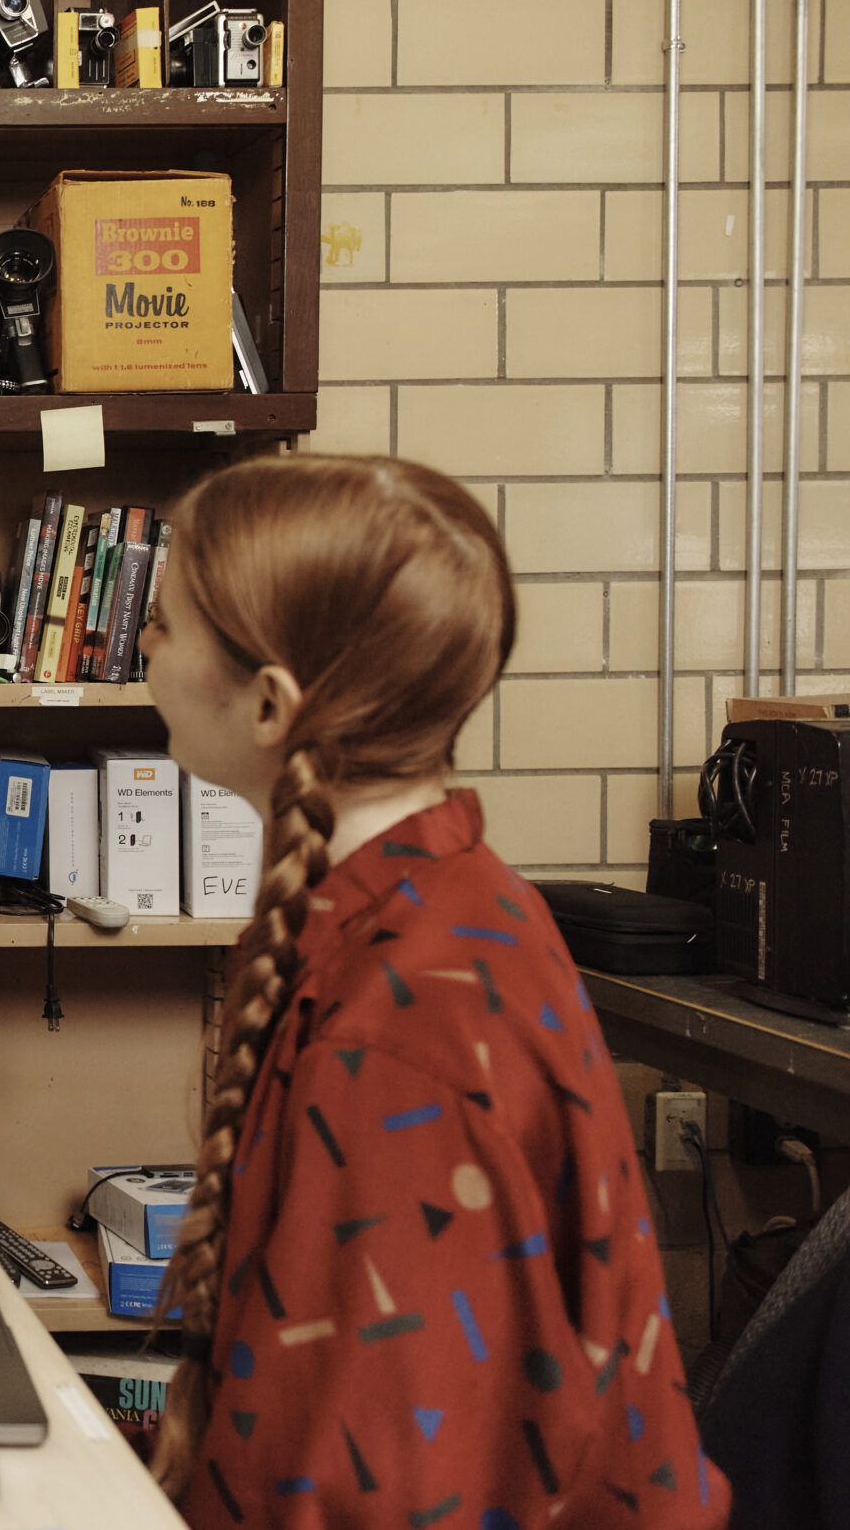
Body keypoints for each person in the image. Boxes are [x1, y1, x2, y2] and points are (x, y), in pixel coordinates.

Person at [135, 455, 728, 1528]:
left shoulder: (402, 1039)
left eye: (165, 622)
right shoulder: (434, 907)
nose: (142, 644)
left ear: (270, 705)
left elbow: (376, 1495)